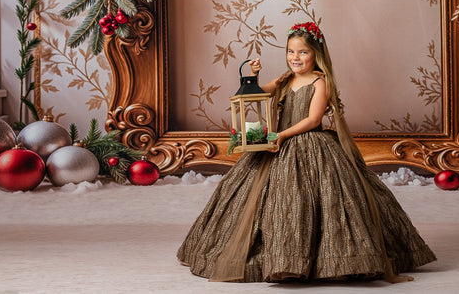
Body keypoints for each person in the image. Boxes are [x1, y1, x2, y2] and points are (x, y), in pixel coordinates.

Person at [177, 21, 435, 282]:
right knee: (252, 196)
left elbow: (313, 120)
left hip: (309, 142)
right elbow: (257, 93)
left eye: (303, 52)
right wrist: (252, 76)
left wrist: (281, 135)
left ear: (316, 55)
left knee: (318, 198)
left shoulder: (320, 82)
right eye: (291, 51)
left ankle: (326, 259)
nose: (295, 58)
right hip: (277, 143)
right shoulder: (286, 79)